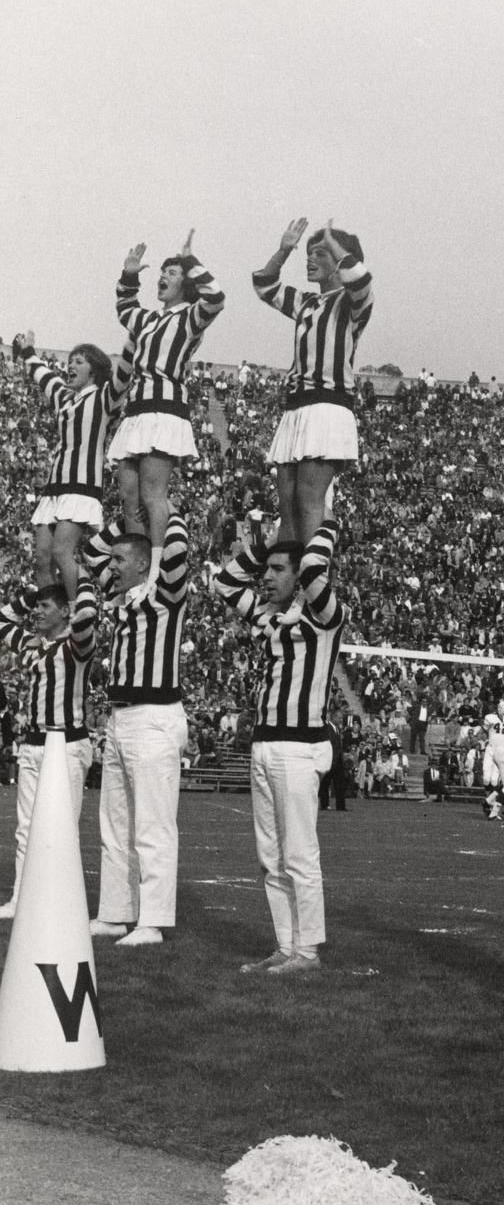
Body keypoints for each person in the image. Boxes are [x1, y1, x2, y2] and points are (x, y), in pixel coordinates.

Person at [213, 520, 346, 973]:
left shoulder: (325, 616)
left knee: (299, 853)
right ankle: (286, 945)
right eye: (266, 569)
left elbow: (313, 566)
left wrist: (322, 524)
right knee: (270, 857)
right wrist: (267, 545)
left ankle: (307, 951)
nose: (266, 577)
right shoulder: (269, 616)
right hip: (265, 742)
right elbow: (226, 581)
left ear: (300, 577)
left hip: (298, 745)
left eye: (277, 570)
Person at [84, 512, 190, 945]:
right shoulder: (121, 599)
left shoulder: (165, 597)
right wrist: (130, 517)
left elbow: (178, 551)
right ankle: (114, 912)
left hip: (155, 716)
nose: (113, 567)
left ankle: (153, 920)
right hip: (120, 717)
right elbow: (90, 555)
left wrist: (163, 511)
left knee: (153, 825)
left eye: (122, 560)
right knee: (115, 823)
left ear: (145, 563)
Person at [109, 231, 225, 591]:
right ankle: (135, 573)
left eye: (172, 272)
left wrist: (191, 262)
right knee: (128, 496)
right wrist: (130, 274)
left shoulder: (189, 317)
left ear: (186, 284)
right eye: (163, 271)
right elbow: (124, 308)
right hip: (136, 412)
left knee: (152, 495)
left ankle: (156, 572)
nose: (164, 276)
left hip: (165, 409)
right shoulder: (146, 319)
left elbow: (217, 298)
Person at [252, 219, 373, 546]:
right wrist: (283, 251)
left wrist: (334, 243)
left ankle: (313, 580)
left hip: (328, 405)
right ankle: (295, 583)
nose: (309, 259)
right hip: (296, 408)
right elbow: (264, 284)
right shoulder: (305, 302)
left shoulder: (350, 303)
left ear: (338, 260)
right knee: (288, 506)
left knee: (309, 501)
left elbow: (361, 279)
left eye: (319, 254)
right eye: (309, 253)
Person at [0, 576, 98, 917]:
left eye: (45, 606)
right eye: (37, 607)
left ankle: (63, 905)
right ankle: (21, 900)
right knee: (26, 828)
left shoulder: (76, 644)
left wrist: (75, 576)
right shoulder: (32, 645)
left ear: (65, 611)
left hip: (66, 742)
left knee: (63, 827)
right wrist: (32, 595)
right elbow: (1, 620)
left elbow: (86, 615)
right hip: (33, 742)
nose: (37, 613)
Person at [13, 332, 133, 600]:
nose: (70, 366)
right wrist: (28, 350)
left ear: (93, 368)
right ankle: (55, 615)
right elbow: (42, 375)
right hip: (54, 488)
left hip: (82, 486)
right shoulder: (64, 398)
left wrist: (132, 339)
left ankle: (79, 610)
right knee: (42, 560)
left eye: (78, 361)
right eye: (70, 361)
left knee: (61, 552)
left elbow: (123, 375)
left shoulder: (104, 396)